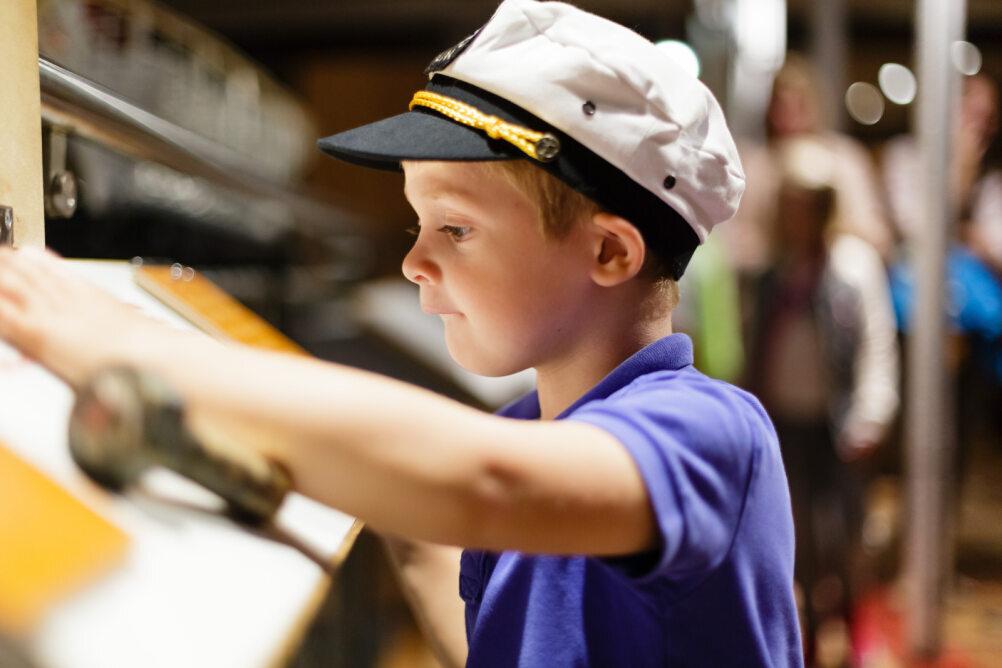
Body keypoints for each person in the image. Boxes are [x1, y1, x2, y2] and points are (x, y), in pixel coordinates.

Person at [0, 1, 802, 666]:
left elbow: (485, 484)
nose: (415, 261)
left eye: (454, 229)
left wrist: (124, 344)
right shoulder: (529, 427)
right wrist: (403, 521)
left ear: (608, 250)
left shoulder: (711, 435)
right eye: (419, 222)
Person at [743, 138, 899, 665]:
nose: (796, 215)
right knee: (798, 540)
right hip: (788, 421)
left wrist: (872, 414)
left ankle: (853, 633)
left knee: (844, 538)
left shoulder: (852, 268)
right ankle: (808, 640)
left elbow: (877, 343)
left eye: (805, 202)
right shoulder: (776, 273)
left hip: (839, 426)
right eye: (789, 203)